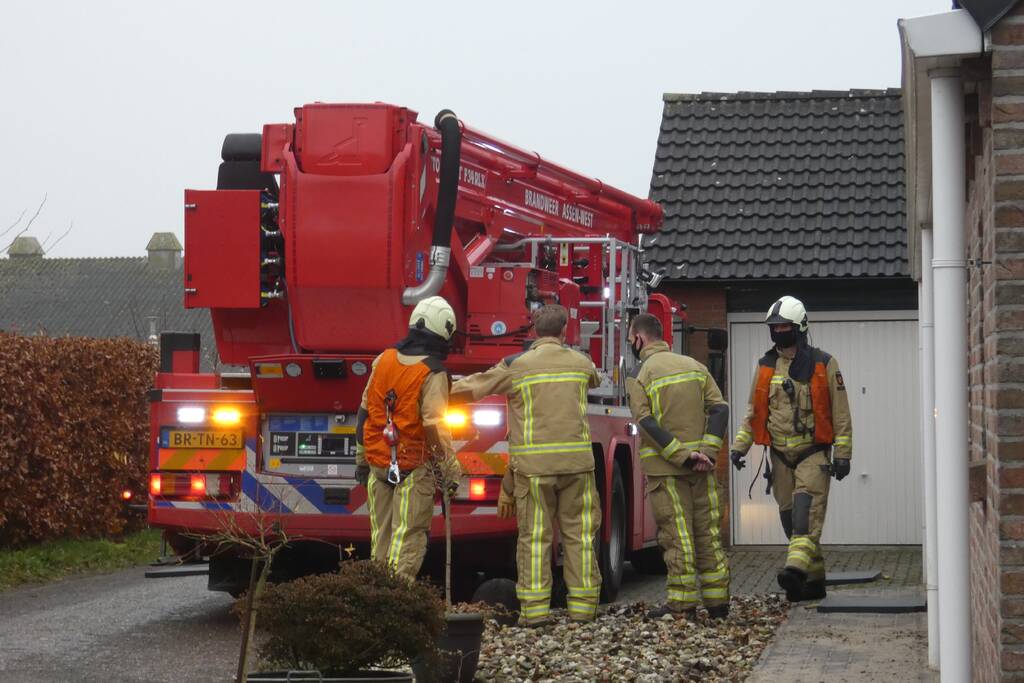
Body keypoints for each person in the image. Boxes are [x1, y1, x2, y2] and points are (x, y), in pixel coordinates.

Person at [450, 304, 602, 626]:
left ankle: (535, 612)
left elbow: (475, 387)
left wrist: (436, 389)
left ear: (533, 332)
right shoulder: (581, 363)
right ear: (564, 331)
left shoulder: (517, 366)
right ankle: (583, 609)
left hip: (534, 470)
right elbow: (595, 380)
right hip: (577, 467)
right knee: (579, 536)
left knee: (535, 539)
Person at [729, 296, 853, 602]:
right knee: (789, 522)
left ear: (799, 328)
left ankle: (793, 573)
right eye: (774, 327)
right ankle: (814, 582)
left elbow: (840, 413)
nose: (778, 331)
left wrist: (843, 454)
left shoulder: (824, 364)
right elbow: (753, 413)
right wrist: (739, 448)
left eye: (784, 326)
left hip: (813, 454)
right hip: (780, 458)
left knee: (804, 518)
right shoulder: (766, 366)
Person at [625, 313, 731, 620]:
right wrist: (707, 452)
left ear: (639, 339)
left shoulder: (640, 374)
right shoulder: (695, 366)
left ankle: (682, 604)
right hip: (704, 471)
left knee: (677, 537)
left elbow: (645, 423)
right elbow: (720, 408)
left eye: (632, 339)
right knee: (708, 534)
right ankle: (717, 602)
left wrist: (682, 455)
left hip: (667, 472)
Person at [354, 295, 462, 580]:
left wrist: (361, 458)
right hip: (413, 467)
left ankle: (375, 597)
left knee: (382, 537)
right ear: (445, 330)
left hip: (378, 464)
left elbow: (364, 412)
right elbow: (434, 424)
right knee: (409, 536)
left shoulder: (383, 359)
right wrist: (449, 471)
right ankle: (398, 600)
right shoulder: (433, 372)